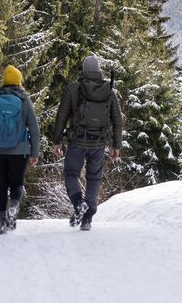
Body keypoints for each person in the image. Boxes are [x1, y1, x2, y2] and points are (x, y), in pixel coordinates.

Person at [53, 55, 123, 231]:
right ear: (99, 70)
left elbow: (61, 116)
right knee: (94, 177)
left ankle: (78, 203)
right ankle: (88, 218)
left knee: (71, 174)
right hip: (99, 142)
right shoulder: (109, 90)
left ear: (83, 70)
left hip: (77, 140)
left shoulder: (73, 88)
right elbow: (117, 120)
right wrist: (116, 146)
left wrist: (57, 140)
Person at [0, 65, 39, 234]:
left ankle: (2, 222)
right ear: (19, 81)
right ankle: (14, 206)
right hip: (19, 150)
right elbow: (34, 129)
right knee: (17, 183)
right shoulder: (24, 100)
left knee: (1, 184)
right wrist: (34, 153)